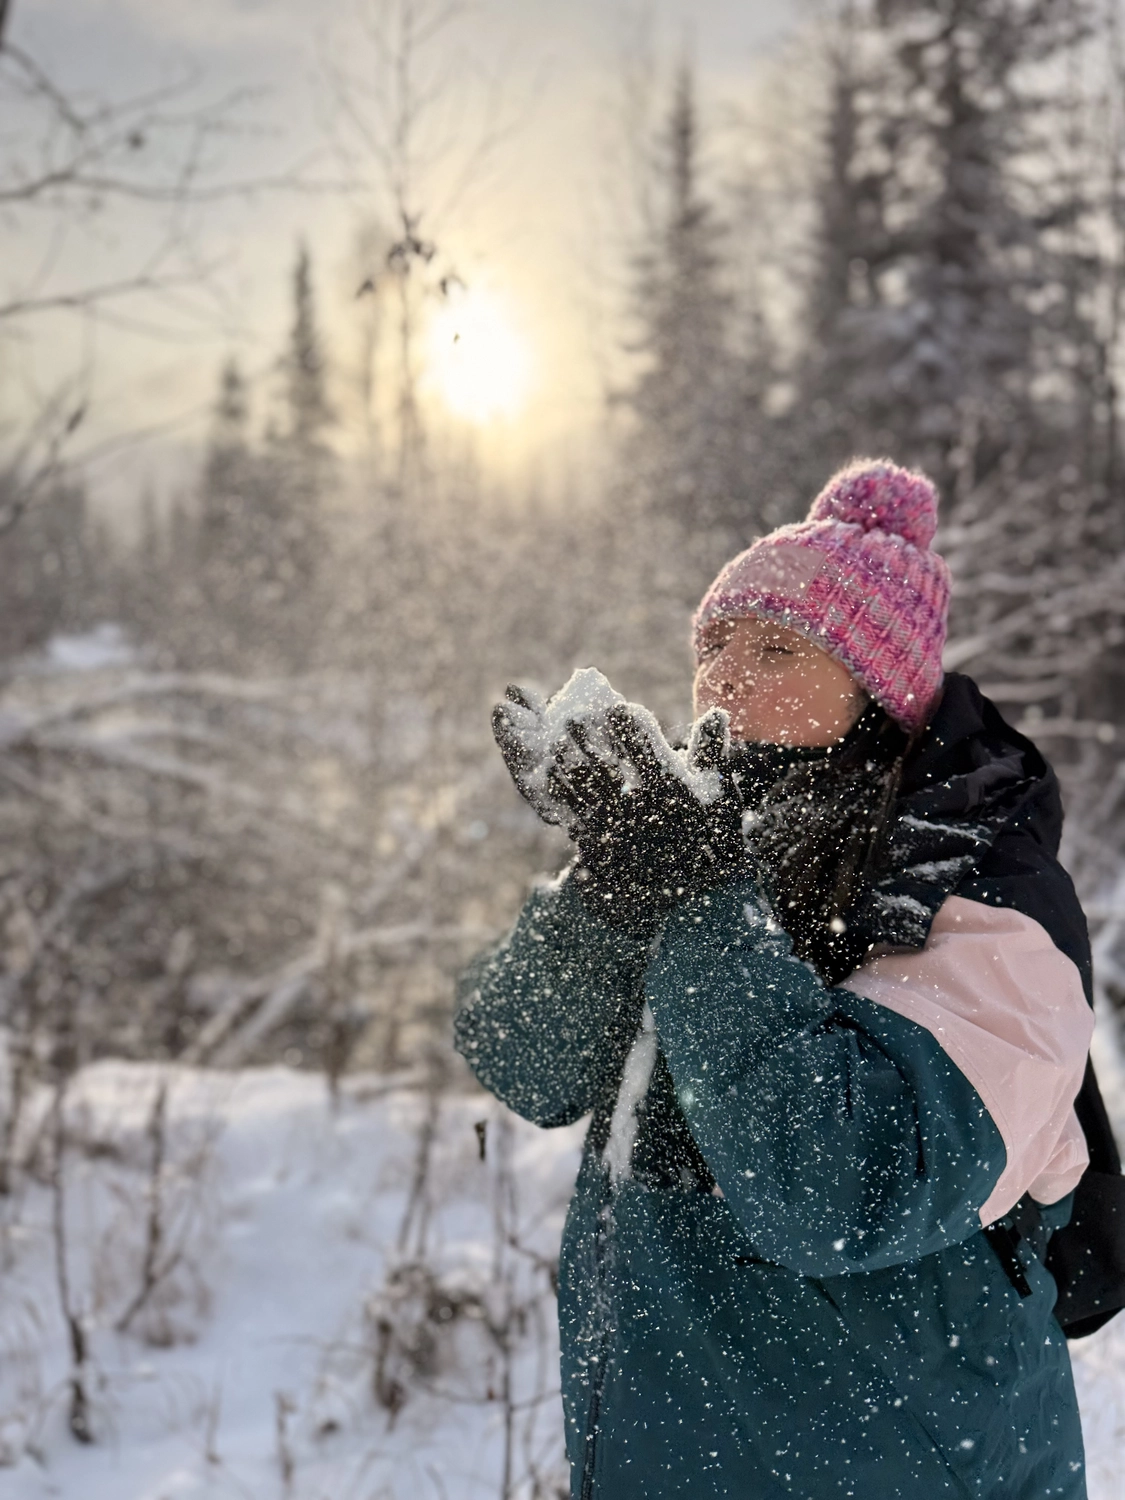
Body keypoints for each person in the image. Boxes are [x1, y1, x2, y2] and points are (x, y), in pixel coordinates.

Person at [454, 459, 1094, 1499]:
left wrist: (702, 904)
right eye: (713, 647)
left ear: (877, 687)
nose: (725, 681)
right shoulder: (697, 832)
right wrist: (607, 893)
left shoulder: (986, 899)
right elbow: (523, 1059)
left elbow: (840, 1187)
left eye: (777, 649)